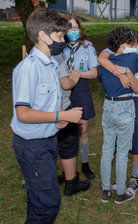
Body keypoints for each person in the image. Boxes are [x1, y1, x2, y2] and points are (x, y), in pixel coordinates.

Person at [10, 8, 82, 223]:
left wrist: (56, 119)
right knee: (47, 204)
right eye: (60, 36)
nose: (63, 40)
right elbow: (23, 113)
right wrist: (63, 114)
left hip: (48, 141)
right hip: (33, 147)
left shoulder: (51, 63)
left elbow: (43, 104)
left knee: (39, 200)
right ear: (43, 35)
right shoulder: (29, 68)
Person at [98, 31, 138, 195]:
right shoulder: (125, 55)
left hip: (120, 102)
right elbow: (102, 57)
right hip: (124, 103)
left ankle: (126, 180)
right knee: (118, 149)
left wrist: (125, 72)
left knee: (133, 141)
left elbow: (102, 61)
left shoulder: (135, 58)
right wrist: (122, 72)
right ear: (132, 42)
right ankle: (120, 188)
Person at [63, 14, 98, 180]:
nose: (73, 31)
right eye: (69, 27)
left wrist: (78, 74)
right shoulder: (58, 47)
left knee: (83, 130)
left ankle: (85, 164)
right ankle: (67, 167)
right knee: (66, 132)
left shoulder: (87, 47)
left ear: (80, 29)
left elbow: (94, 73)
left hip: (81, 90)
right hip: (63, 92)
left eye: (76, 27)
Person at [54, 52, 91, 196]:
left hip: (46, 107)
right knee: (68, 143)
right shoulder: (57, 55)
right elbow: (65, 83)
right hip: (61, 106)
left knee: (52, 143)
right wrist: (74, 78)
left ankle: (56, 177)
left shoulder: (35, 54)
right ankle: (71, 182)